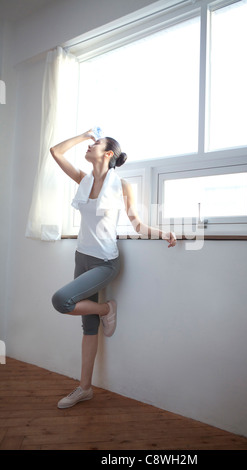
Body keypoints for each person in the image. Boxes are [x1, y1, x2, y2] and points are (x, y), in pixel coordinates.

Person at [50, 130, 176, 409]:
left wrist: (163, 233)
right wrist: (83, 136)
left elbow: (137, 225)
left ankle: (108, 308)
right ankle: (85, 388)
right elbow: (56, 152)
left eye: (95, 144)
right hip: (81, 257)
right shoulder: (83, 180)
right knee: (88, 325)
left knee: (62, 301)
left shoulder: (122, 185)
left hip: (104, 262)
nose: (89, 146)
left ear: (108, 154)